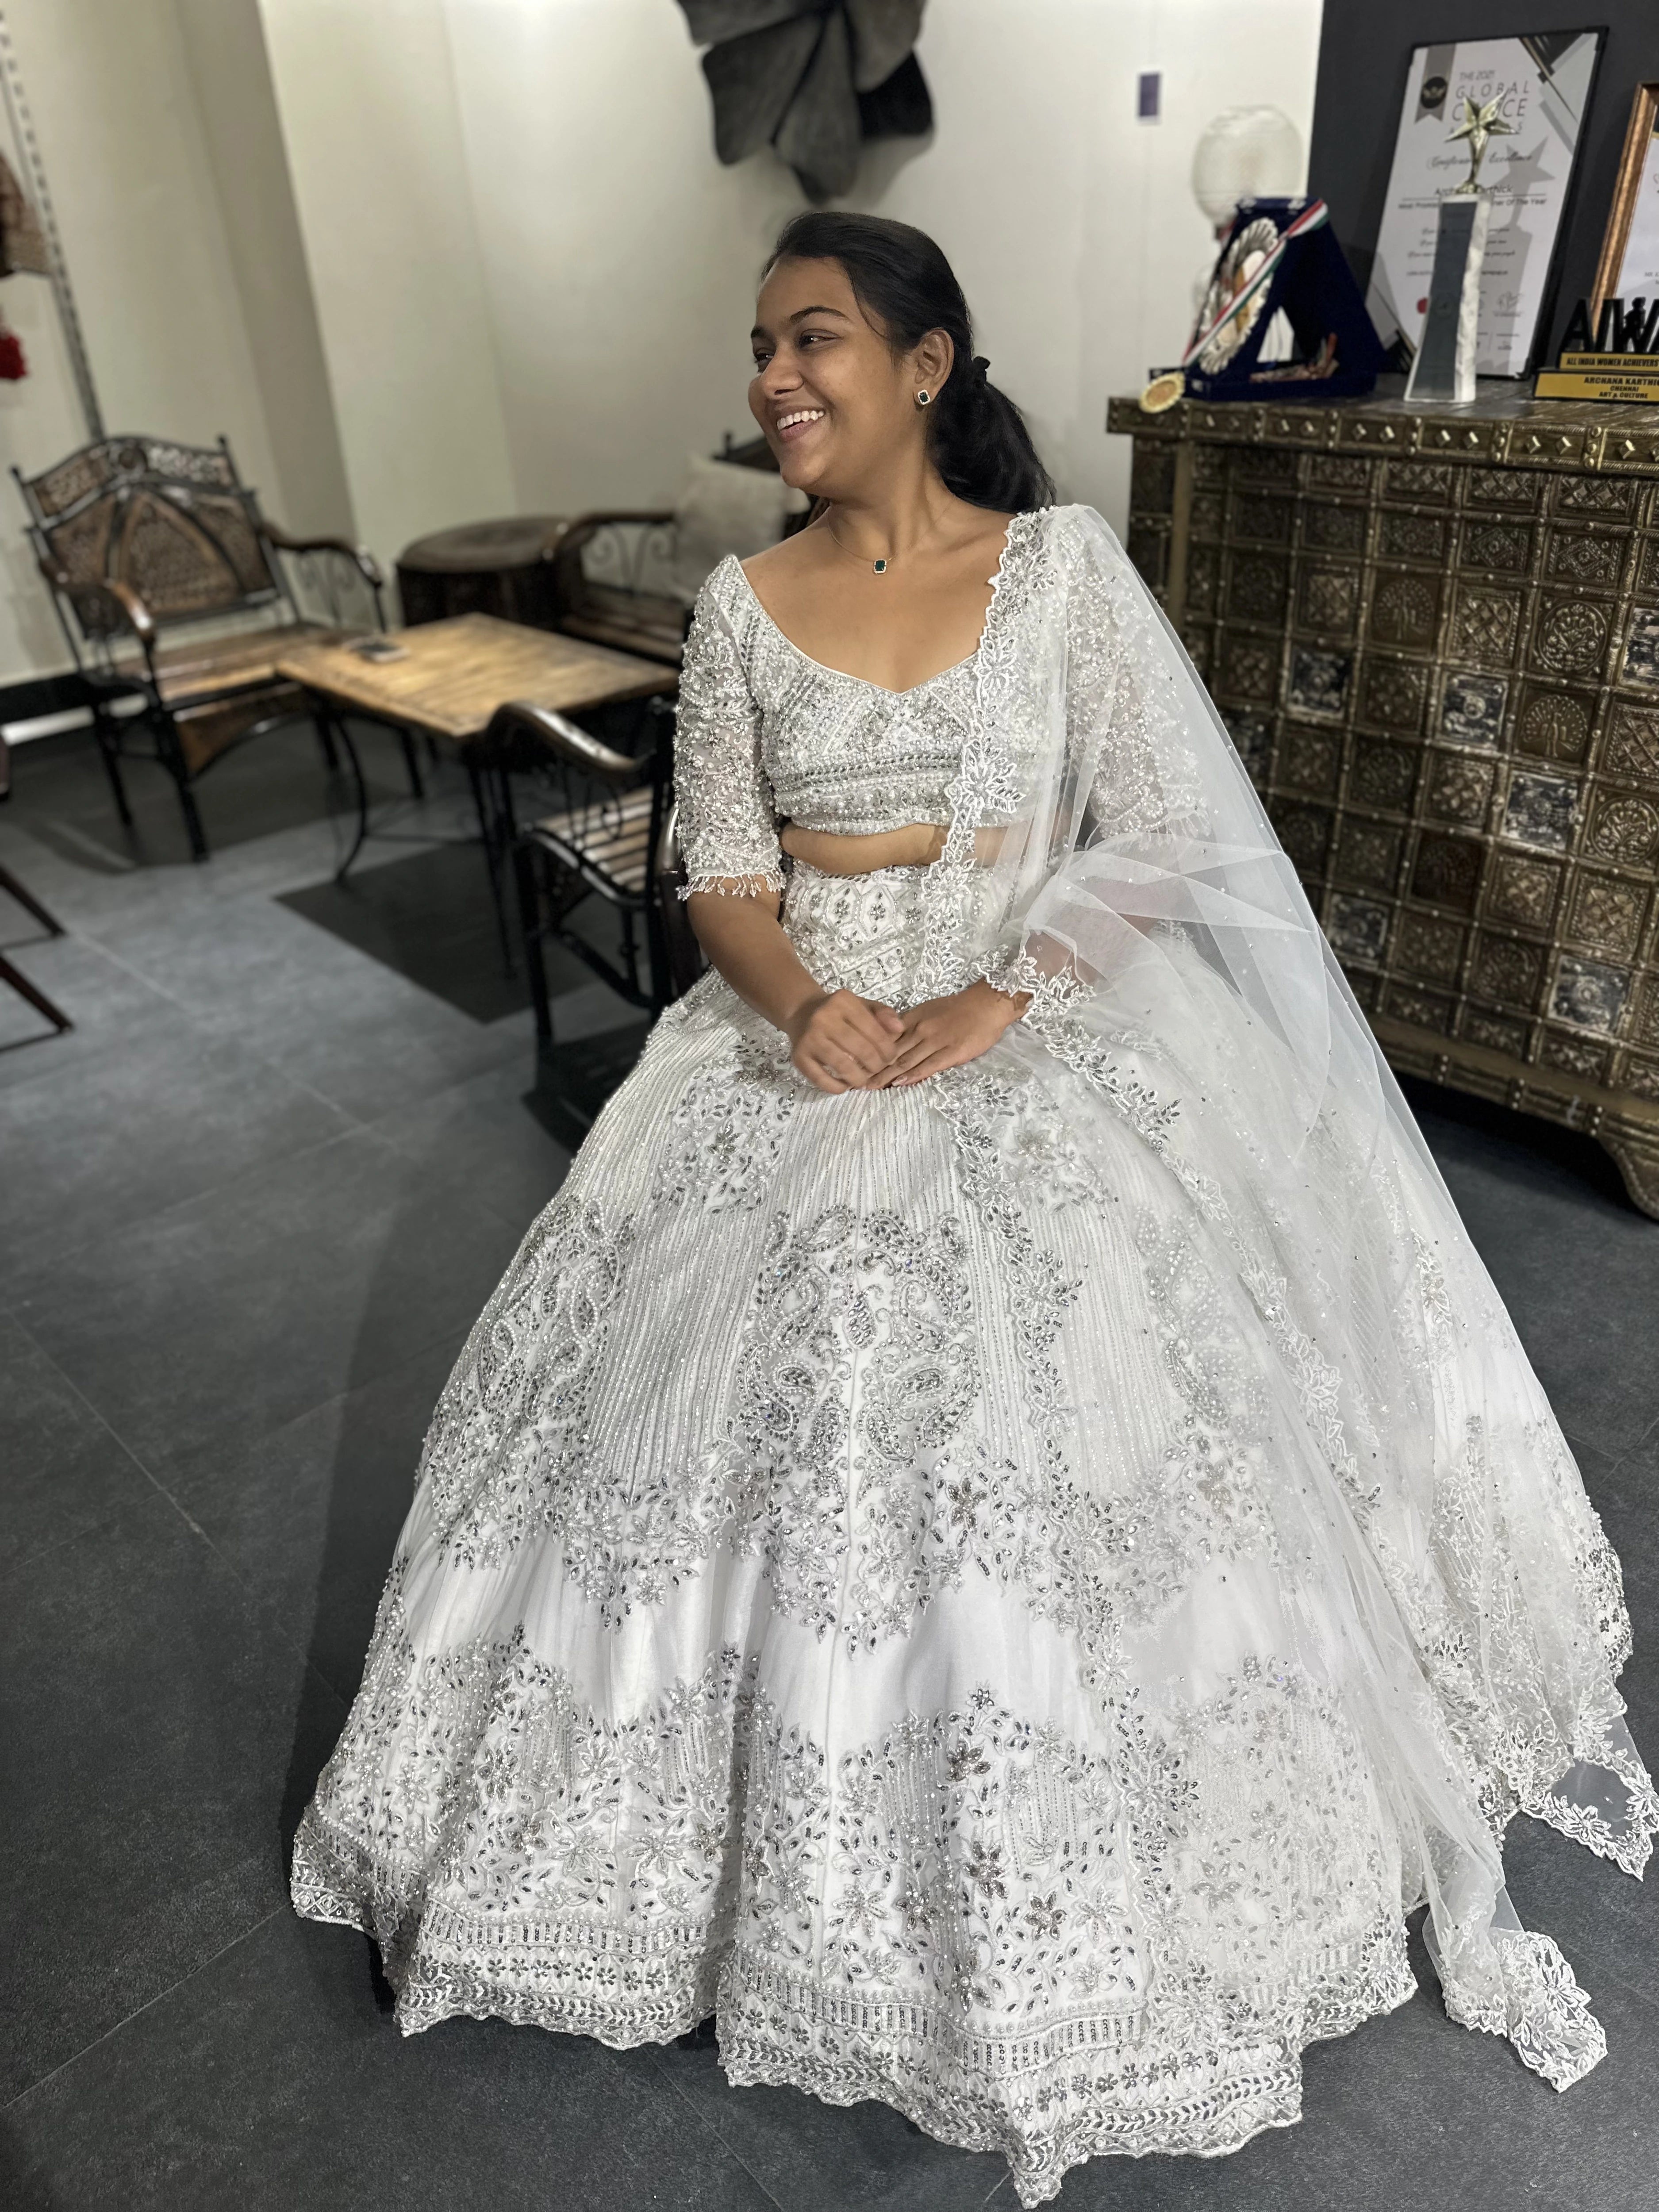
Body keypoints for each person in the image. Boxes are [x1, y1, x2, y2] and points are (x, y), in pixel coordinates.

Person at [291, 212, 1655, 2206]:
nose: (773, 377)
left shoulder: (1063, 572)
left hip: (1037, 1032)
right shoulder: (742, 606)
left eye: (813, 339)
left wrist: (1003, 993)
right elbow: (721, 875)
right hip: (801, 1045)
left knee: (1101, 1406)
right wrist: (803, 1006)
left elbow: (1166, 831)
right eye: (761, 344)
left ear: (924, 364)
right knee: (735, 1380)